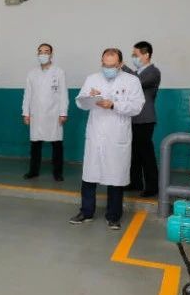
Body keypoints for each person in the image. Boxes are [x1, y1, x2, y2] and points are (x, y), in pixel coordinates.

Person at [70, 48, 144, 229]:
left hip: (117, 135)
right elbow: (80, 102)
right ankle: (86, 212)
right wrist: (90, 97)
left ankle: (113, 216)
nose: (108, 68)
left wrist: (113, 105)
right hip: (96, 133)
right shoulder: (92, 79)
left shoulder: (132, 81)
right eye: (105, 64)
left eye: (112, 65)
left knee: (115, 176)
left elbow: (137, 107)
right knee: (89, 175)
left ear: (120, 64)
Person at [22, 43, 68, 181]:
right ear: (37, 54)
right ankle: (33, 171)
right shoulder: (32, 73)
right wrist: (25, 113)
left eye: (46, 52)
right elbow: (27, 94)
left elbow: (63, 94)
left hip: (54, 114)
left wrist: (63, 113)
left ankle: (57, 173)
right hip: (36, 114)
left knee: (57, 144)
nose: (43, 54)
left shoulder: (59, 72)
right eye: (40, 52)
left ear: (51, 55)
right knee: (35, 144)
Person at [122, 41, 161, 197]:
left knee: (146, 154)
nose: (133, 57)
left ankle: (152, 186)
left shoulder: (153, 72)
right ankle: (135, 182)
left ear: (146, 55)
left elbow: (137, 83)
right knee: (134, 153)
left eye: (135, 55)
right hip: (133, 117)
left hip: (145, 118)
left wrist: (123, 67)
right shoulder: (137, 73)